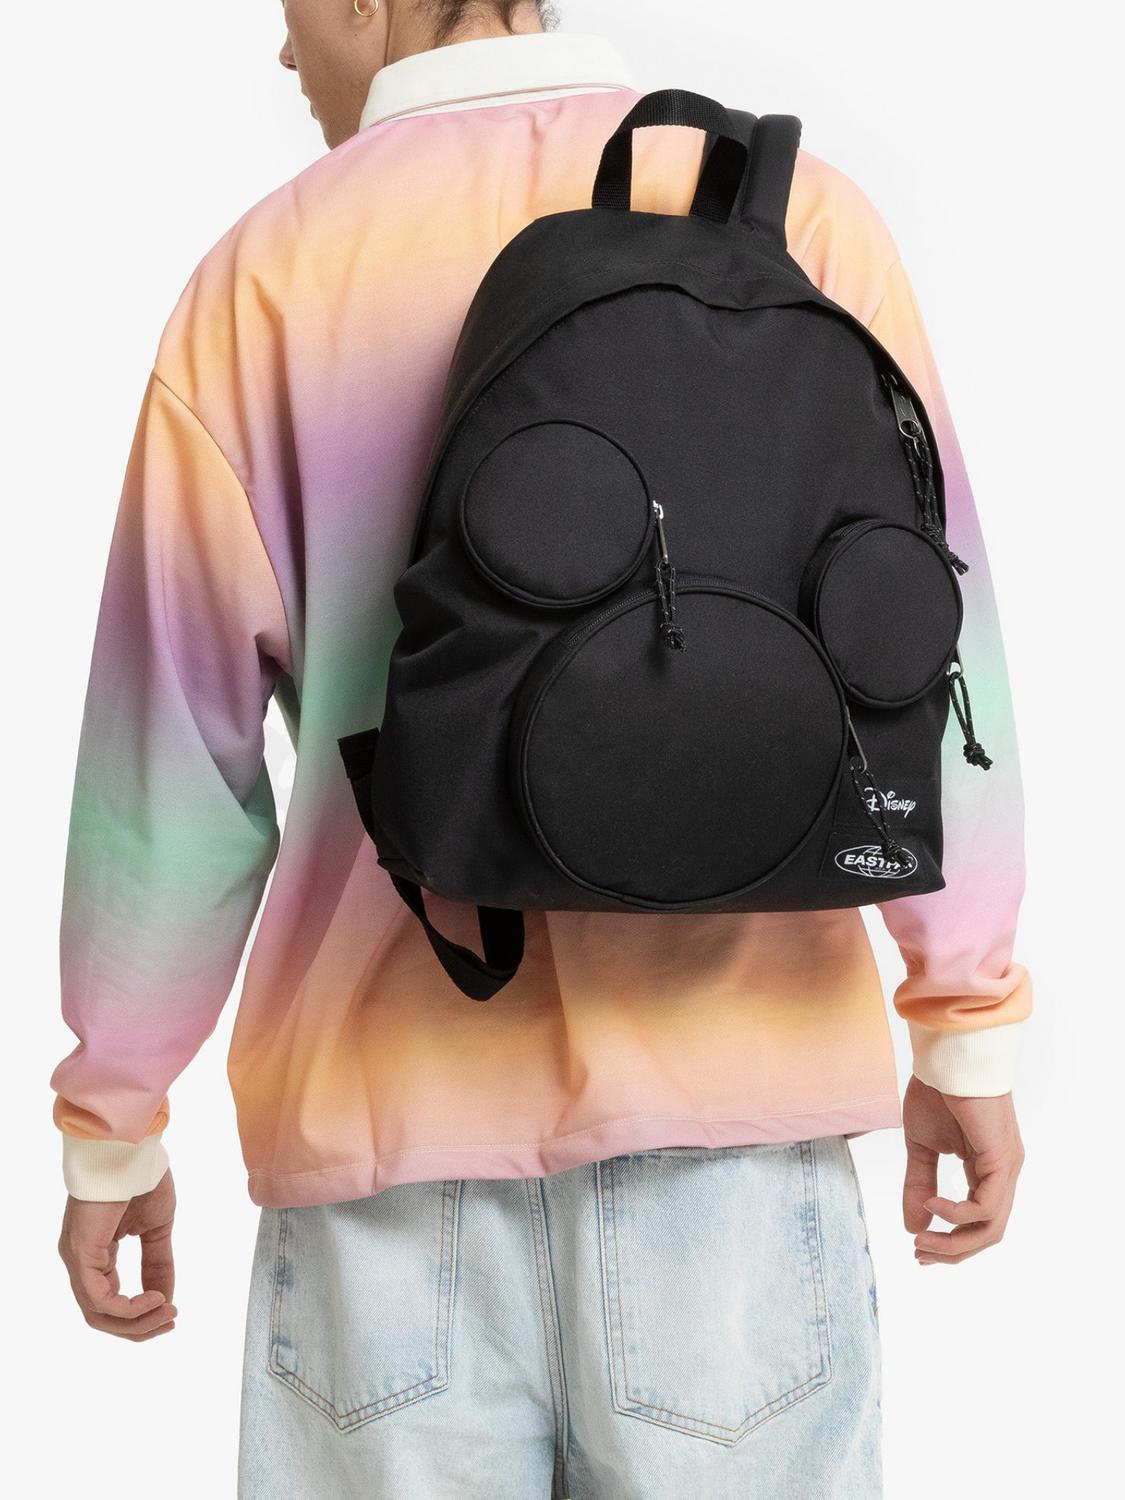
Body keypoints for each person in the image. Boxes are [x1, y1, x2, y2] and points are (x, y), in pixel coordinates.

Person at [53, 3, 1029, 1496]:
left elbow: (171, 762)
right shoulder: (798, 219)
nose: (283, 51)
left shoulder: (267, 277)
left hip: (386, 1167)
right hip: (736, 1148)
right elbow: (924, 646)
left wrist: (114, 1118)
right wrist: (964, 1020)